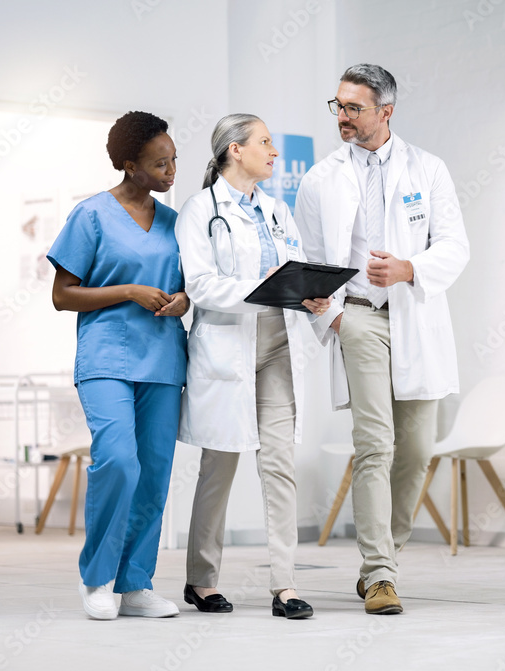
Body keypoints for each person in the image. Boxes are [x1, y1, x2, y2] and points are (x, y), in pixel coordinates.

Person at [296, 64, 470, 615]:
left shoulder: (429, 168)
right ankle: (379, 575)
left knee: (416, 450)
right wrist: (334, 316)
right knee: (376, 443)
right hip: (359, 317)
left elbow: (455, 246)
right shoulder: (319, 179)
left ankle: (385, 556)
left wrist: (408, 269)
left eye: (354, 108)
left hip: (415, 315)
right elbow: (308, 259)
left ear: (385, 111)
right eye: (338, 106)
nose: (342, 117)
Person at [175, 114, 330, 620]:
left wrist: (310, 293)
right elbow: (200, 284)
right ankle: (201, 580)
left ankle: (285, 586)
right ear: (235, 150)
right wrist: (260, 291)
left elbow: (295, 265)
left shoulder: (276, 209)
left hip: (277, 344)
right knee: (219, 467)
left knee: (279, 464)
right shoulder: (200, 210)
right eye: (265, 142)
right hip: (227, 345)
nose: (274, 151)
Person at [47, 111, 188, 620]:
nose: (172, 171)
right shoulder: (91, 215)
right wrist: (128, 291)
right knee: (119, 462)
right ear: (130, 166)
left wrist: (183, 302)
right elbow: (63, 295)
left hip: (164, 360)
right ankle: (98, 578)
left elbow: (193, 286)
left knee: (153, 473)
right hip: (107, 357)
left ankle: (136, 584)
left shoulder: (177, 223)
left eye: (174, 160)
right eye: (160, 163)